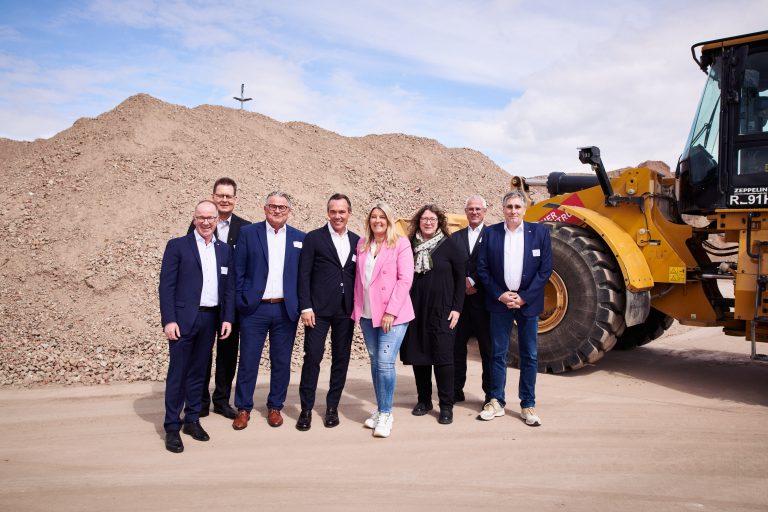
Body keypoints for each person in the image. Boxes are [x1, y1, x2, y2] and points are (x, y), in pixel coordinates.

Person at [159, 200, 234, 453]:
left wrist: (227, 318)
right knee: (178, 373)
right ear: (194, 218)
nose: (205, 222)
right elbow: (166, 287)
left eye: (210, 218)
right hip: (182, 321)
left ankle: (192, 419)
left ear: (217, 220)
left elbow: (228, 289)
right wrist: (169, 320)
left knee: (199, 374)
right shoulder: (178, 246)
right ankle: (172, 426)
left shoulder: (224, 250)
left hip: (210, 319)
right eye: (201, 217)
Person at [476, 190, 552, 426]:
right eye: (509, 206)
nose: (513, 211)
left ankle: (528, 404)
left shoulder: (539, 232)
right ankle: (496, 400)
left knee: (529, 355)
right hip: (500, 303)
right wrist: (500, 294)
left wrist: (524, 297)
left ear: (525, 209)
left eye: (517, 207)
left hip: (527, 304)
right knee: (498, 353)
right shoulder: (491, 233)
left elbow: (545, 270)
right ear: (503, 209)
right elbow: (483, 269)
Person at [231, 192, 305, 430]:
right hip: (255, 310)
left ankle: (275, 406)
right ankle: (243, 408)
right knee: (249, 361)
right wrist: (242, 301)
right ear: (264, 208)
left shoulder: (299, 238)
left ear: (289, 211)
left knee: (281, 361)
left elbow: (303, 277)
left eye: (282, 207)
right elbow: (238, 271)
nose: (277, 210)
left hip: (285, 310)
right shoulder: (248, 233)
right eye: (272, 206)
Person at [188, 177, 251, 420]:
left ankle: (222, 400)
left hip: (231, 303)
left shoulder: (246, 229)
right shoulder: (198, 225)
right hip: (205, 304)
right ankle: (200, 399)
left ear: (235, 199)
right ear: (212, 197)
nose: (224, 200)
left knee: (227, 353)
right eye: (220, 195)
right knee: (202, 353)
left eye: (229, 196)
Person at [295, 193, 360, 431]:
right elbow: (303, 275)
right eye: (333, 211)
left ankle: (332, 407)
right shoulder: (313, 238)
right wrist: (306, 306)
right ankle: (305, 410)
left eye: (342, 212)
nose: (337, 216)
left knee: (341, 359)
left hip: (345, 311)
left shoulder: (357, 241)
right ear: (327, 213)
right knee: (312, 357)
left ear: (349, 214)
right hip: (318, 311)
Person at [351, 202, 414, 438]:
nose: (377, 220)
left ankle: (386, 414)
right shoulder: (362, 244)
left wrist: (391, 311)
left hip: (392, 315)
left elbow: (405, 279)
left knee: (386, 362)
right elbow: (360, 280)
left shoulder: (400, 243)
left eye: (382, 217)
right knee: (375, 361)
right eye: (373, 217)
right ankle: (380, 409)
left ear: (389, 220)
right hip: (368, 313)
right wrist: (357, 310)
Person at [400, 205, 464, 425]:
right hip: (415, 310)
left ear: (439, 222)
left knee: (444, 358)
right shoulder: (409, 246)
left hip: (443, 311)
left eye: (432, 219)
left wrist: (457, 308)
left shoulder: (450, 246)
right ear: (418, 222)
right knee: (420, 356)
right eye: (424, 219)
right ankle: (424, 400)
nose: (428, 222)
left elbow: (460, 279)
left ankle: (446, 406)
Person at [452, 195, 492, 404]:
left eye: (478, 209)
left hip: (484, 302)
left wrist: (475, 283)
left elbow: (496, 266)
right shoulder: (455, 237)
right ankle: (456, 389)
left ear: (485, 211)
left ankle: (490, 394)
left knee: (487, 349)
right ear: (465, 211)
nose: (474, 212)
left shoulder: (494, 236)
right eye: (471, 209)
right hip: (460, 304)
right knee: (457, 348)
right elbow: (451, 267)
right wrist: (462, 286)